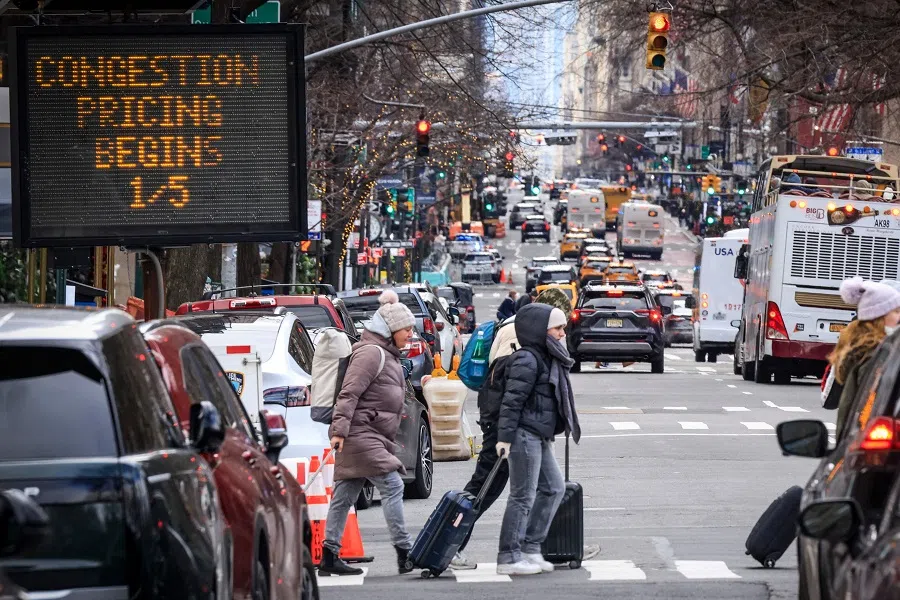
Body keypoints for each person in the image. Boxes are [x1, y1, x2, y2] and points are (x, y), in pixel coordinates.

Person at [319, 290, 417, 576]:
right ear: (390, 329)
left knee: (344, 495)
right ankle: (404, 551)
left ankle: (329, 555)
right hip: (360, 433)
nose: (410, 334)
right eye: (406, 329)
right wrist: (338, 430)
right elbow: (349, 392)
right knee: (393, 486)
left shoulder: (387, 355)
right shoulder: (371, 353)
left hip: (368, 433)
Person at [495, 303, 580, 575]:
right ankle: (508, 556)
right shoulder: (527, 359)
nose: (562, 333)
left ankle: (531, 548)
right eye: (557, 328)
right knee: (522, 496)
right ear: (540, 330)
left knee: (554, 488)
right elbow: (511, 402)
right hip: (523, 434)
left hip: (538, 435)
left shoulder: (546, 357)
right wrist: (505, 438)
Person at [450, 317, 521, 570]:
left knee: (543, 488)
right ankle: (450, 545)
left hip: (507, 426)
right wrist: (503, 434)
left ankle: (548, 548)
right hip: (503, 427)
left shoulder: (510, 328)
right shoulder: (517, 337)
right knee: (483, 489)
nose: (559, 332)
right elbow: (510, 390)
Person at [830, 277, 900, 437]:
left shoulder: (860, 348)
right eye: (896, 312)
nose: (899, 317)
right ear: (880, 316)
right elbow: (874, 401)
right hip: (870, 437)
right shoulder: (875, 354)